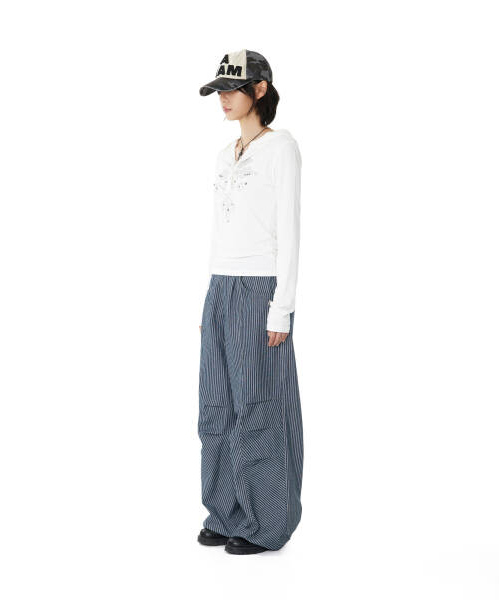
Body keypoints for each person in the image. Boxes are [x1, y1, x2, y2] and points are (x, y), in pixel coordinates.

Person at [197, 49, 304, 555]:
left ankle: (266, 523)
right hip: (221, 287)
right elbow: (222, 231)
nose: (223, 98)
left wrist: (281, 306)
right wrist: (211, 301)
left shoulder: (281, 148)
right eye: (219, 90)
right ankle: (225, 512)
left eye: (232, 89)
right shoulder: (226, 154)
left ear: (259, 90)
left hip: (260, 287)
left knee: (259, 406)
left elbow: (289, 230)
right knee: (216, 404)